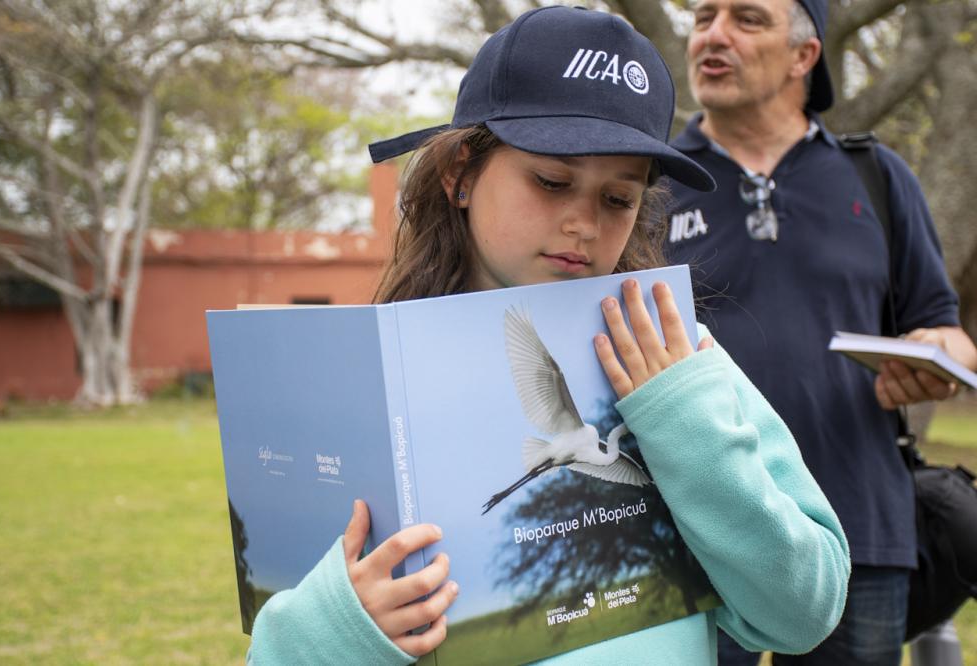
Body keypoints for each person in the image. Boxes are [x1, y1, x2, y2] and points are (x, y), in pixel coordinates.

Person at [247, 6, 850, 664]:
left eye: (617, 199)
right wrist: (339, 626)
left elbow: (804, 610)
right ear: (460, 175)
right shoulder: (364, 380)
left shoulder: (678, 359)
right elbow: (275, 643)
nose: (582, 223)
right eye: (552, 181)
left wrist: (686, 420)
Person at [663, 1, 977, 665]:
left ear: (805, 56)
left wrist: (938, 356)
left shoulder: (878, 176)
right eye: (703, 16)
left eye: (746, 19)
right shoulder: (649, 183)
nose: (714, 35)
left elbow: (943, 328)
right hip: (696, 535)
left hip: (858, 530)